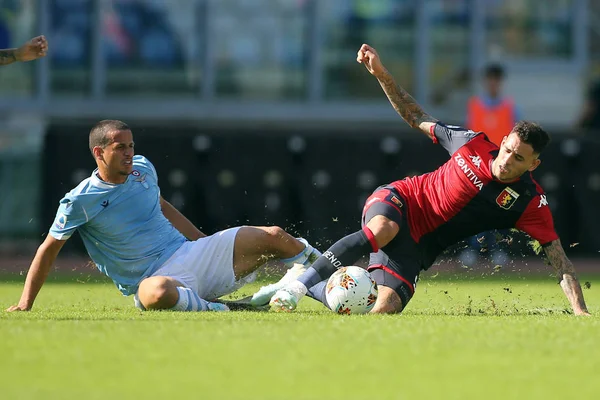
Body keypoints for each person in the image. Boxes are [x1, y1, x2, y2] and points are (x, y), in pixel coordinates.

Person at [262, 43, 590, 316]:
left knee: (382, 309)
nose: (506, 161)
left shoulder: (530, 203)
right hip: (400, 202)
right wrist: (383, 76)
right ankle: (297, 286)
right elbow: (417, 116)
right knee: (382, 230)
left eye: (518, 158)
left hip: (418, 247)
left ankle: (308, 279)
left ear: (534, 164)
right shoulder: (470, 143)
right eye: (506, 149)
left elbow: (560, 261)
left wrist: (580, 311)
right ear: (502, 141)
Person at [6, 120, 320, 313]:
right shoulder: (79, 201)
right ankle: (233, 308)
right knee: (154, 294)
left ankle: (331, 280)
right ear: (98, 153)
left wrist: (202, 240)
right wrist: (26, 302)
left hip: (191, 254)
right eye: (120, 147)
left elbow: (161, 204)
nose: (129, 153)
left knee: (275, 236)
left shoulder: (142, 167)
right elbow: (48, 249)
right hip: (156, 280)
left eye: (130, 145)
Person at [466, 63, 520, 147]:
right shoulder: (474, 106)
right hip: (478, 156)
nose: (493, 83)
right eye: (490, 79)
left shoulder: (510, 108)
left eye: (496, 79)